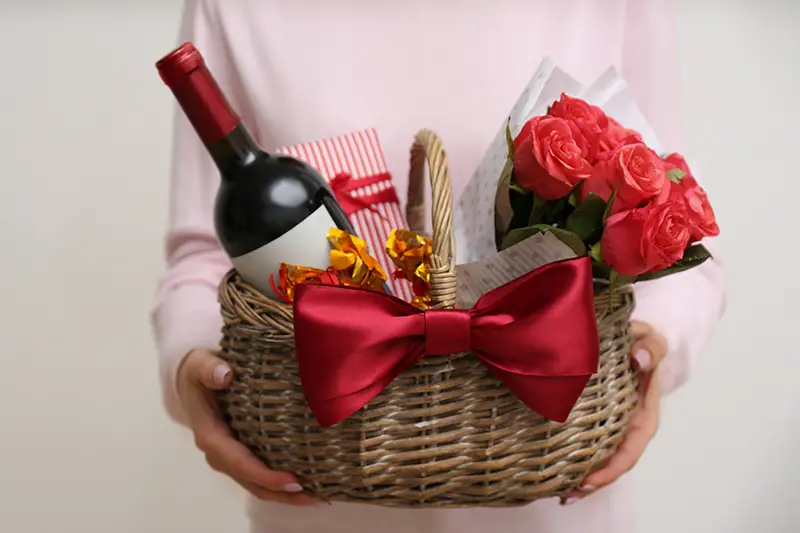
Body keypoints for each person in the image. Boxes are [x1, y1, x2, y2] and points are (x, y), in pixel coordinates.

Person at [150, 1, 727, 532]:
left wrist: (656, 351)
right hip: (327, 493)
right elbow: (204, 256)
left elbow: (672, 215)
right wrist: (190, 366)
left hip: (554, 482)